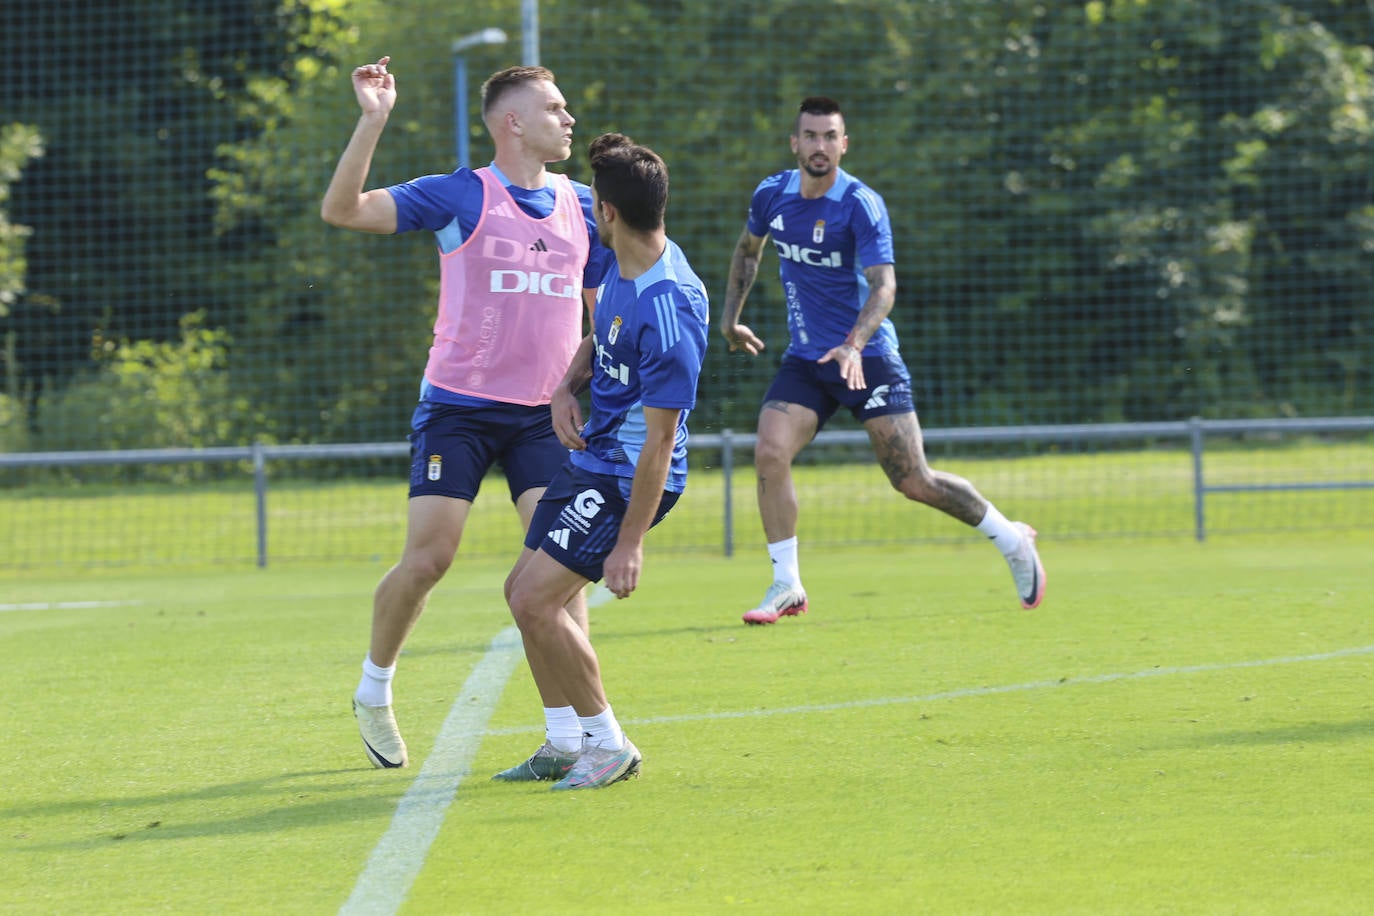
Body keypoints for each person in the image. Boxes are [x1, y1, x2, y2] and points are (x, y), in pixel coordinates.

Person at [320, 57, 611, 768]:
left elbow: (601, 315)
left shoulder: (581, 205)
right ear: (513, 122)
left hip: (547, 416)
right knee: (430, 560)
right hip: (460, 409)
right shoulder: (459, 195)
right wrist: (372, 120)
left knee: (556, 573)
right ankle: (374, 688)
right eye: (554, 108)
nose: (568, 118)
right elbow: (342, 210)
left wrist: (591, 390)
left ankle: (568, 738)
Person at [720, 96, 1045, 625]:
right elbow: (747, 250)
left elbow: (884, 285)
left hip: (867, 356)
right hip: (808, 359)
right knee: (769, 452)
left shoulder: (860, 204)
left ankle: (1010, 539)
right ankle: (787, 583)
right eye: (811, 136)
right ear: (794, 143)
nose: (820, 146)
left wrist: (853, 343)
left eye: (831, 137)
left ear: (844, 144)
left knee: (913, 480)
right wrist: (730, 318)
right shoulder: (772, 195)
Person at [497, 132, 709, 790]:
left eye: (592, 202)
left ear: (609, 212)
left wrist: (631, 544)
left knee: (536, 601)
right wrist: (567, 386)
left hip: (628, 479)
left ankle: (609, 744)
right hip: (593, 463)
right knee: (520, 594)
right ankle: (565, 742)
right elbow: (602, 336)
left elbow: (662, 443)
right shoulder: (622, 264)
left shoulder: (671, 307)